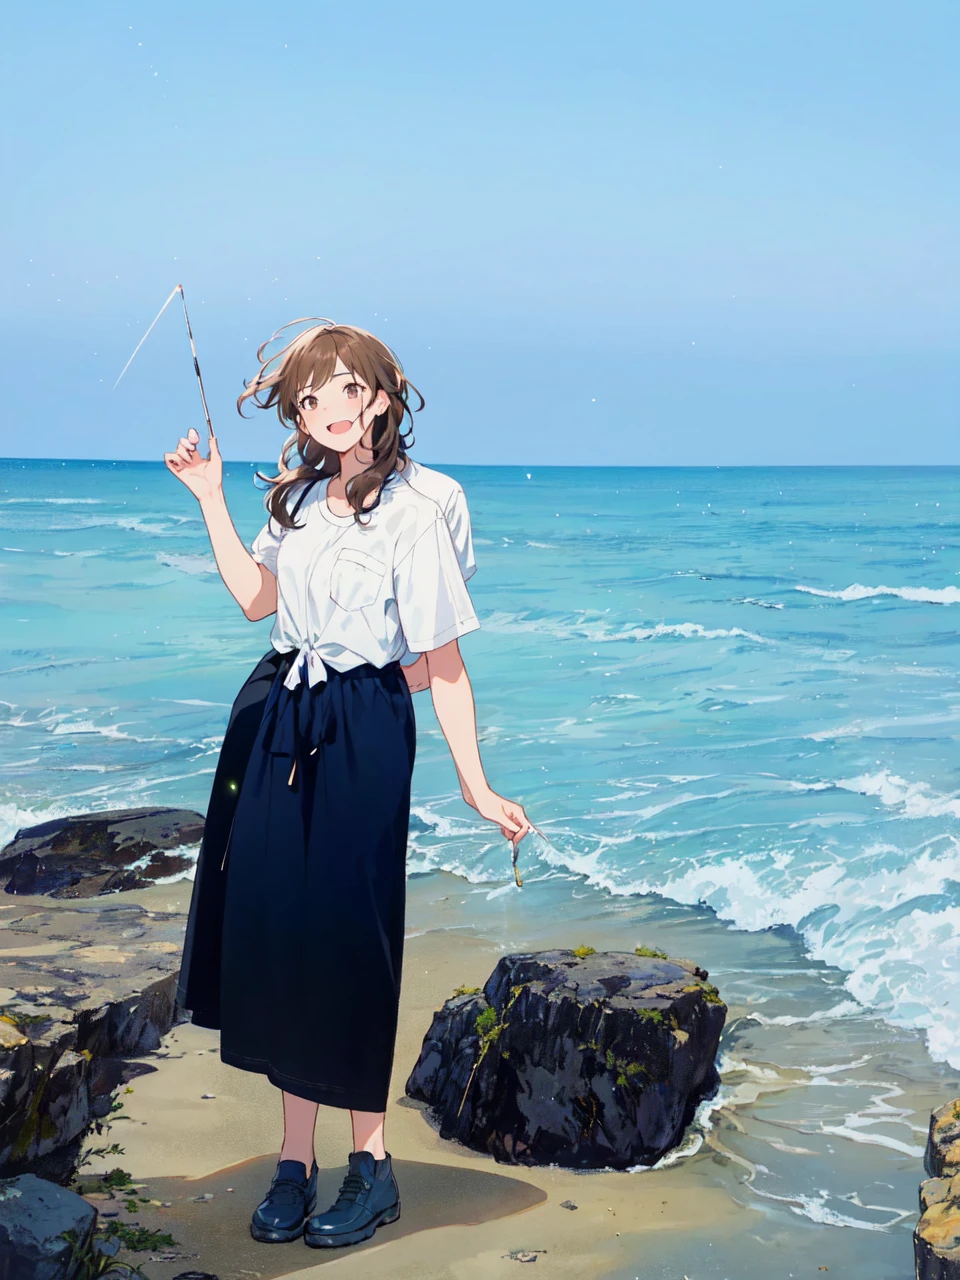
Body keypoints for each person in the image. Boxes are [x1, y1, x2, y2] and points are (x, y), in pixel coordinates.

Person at [165, 319, 532, 1251]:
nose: (328, 411)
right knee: (283, 938)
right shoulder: (295, 500)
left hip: (363, 727)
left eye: (345, 391)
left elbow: (442, 661)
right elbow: (258, 599)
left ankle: (370, 1167)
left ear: (379, 395)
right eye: (309, 398)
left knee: (347, 943)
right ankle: (295, 1161)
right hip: (279, 711)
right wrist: (209, 497)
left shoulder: (419, 507)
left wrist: (476, 786)